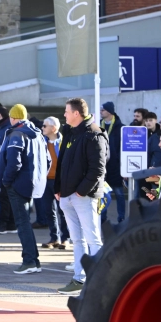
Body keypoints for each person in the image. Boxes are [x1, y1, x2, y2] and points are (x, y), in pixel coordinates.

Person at [56, 97, 108, 294]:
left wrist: (80, 191)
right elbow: (62, 163)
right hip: (67, 196)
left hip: (83, 197)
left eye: (67, 111)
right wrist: (58, 189)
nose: (64, 115)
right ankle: (79, 279)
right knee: (77, 240)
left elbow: (98, 169)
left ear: (76, 113)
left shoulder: (94, 134)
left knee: (93, 238)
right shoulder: (70, 133)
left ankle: (101, 281)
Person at [0, 104, 45, 274]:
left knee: (22, 223)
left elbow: (14, 162)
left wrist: (6, 181)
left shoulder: (17, 134)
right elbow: (47, 160)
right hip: (31, 183)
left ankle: (30, 261)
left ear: (13, 118)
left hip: (17, 185)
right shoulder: (37, 134)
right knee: (25, 222)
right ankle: (34, 260)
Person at [39, 117, 66, 250]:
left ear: (53, 128)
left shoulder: (64, 142)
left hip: (60, 181)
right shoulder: (41, 142)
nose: (42, 128)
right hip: (45, 181)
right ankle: (54, 238)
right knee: (49, 211)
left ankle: (65, 238)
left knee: (63, 210)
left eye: (45, 126)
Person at [0, 104, 16, 234]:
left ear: (0, 115)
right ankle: (10, 224)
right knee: (6, 197)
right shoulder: (3, 129)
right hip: (1, 168)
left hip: (4, 169)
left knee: (4, 198)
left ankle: (4, 224)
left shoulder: (6, 130)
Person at [100, 102, 125, 223]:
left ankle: (122, 218)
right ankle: (102, 218)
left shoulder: (120, 127)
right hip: (103, 166)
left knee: (119, 194)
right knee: (102, 194)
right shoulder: (99, 126)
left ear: (109, 112)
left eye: (103, 110)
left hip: (116, 167)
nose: (101, 111)